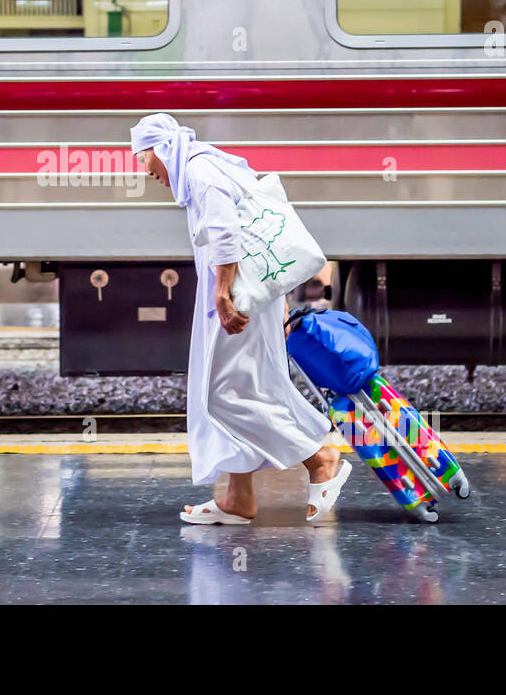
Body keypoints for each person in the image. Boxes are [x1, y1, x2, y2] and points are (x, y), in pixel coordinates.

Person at [129, 113, 351, 524]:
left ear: (162, 149)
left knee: (224, 394)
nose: (147, 172)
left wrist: (222, 292)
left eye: (145, 160)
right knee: (247, 384)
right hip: (244, 292)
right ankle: (238, 497)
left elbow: (226, 231)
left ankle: (319, 458)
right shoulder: (210, 163)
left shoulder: (198, 170)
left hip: (234, 296)